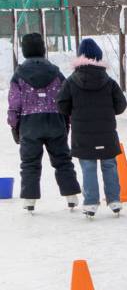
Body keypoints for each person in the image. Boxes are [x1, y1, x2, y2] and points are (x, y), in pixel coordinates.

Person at [7, 32, 80, 213]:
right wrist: (67, 122)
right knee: (63, 160)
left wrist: (14, 126)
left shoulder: (19, 75)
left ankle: (29, 200)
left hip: (29, 123)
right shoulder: (56, 73)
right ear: (43, 49)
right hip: (55, 120)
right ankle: (71, 196)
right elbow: (66, 99)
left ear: (24, 51)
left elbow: (14, 104)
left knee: (30, 162)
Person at [58, 38, 127, 218]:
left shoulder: (71, 81)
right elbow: (121, 105)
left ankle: (90, 203)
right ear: (98, 56)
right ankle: (114, 200)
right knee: (109, 165)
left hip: (83, 135)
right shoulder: (109, 81)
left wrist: (74, 111)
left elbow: (62, 105)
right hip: (106, 132)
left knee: (88, 167)